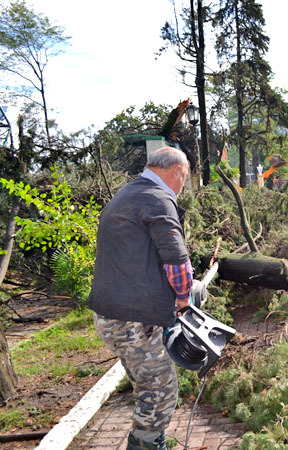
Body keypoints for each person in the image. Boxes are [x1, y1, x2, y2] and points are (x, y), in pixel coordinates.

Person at [88, 147, 194, 450]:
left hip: (112, 314)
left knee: (147, 386)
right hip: (134, 320)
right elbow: (177, 261)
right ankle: (146, 446)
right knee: (160, 393)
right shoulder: (158, 199)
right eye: (184, 178)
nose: (182, 186)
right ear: (177, 171)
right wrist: (184, 299)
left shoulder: (127, 193)